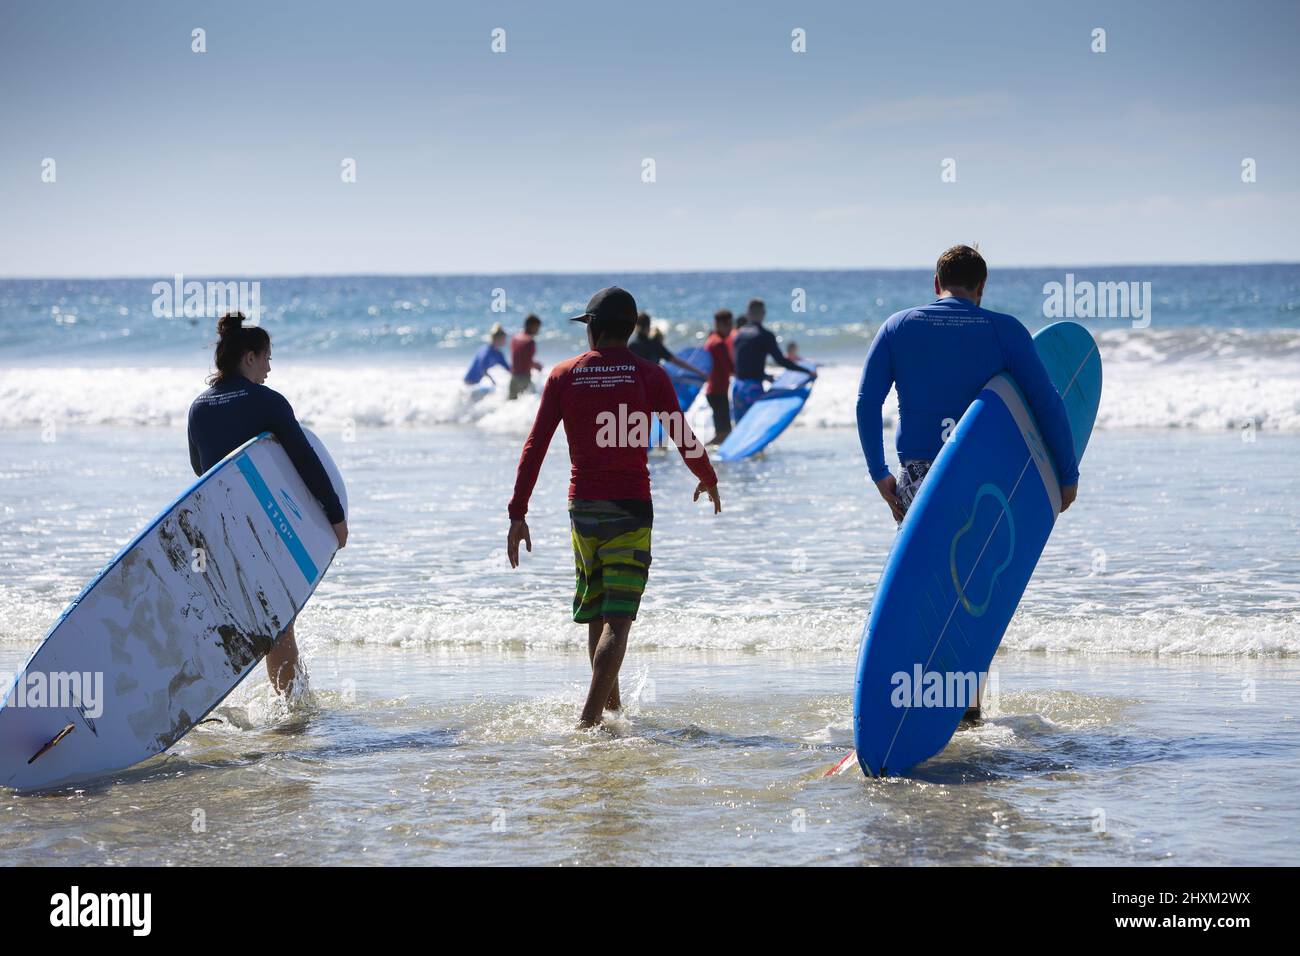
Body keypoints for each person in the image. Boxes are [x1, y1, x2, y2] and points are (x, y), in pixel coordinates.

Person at [855, 245, 1080, 723]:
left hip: (919, 477)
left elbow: (865, 402)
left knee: (926, 583)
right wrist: (1066, 475)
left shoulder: (898, 326)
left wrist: (879, 473)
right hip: (984, 475)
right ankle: (969, 706)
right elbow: (1049, 405)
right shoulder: (1004, 330)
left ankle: (918, 696)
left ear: (936, 284)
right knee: (976, 587)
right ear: (981, 288)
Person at [506, 287, 721, 729]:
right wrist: (707, 476)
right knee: (617, 621)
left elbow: (535, 446)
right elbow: (680, 434)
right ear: (629, 328)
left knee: (597, 614)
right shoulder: (651, 376)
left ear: (594, 328)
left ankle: (611, 711)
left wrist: (518, 512)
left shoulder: (564, 376)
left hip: (582, 509)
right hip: (631, 509)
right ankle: (588, 722)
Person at [187, 312, 348, 696]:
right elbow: (304, 459)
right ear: (249, 357)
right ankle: (291, 709)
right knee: (279, 619)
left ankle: (217, 700)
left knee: (241, 617)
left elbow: (199, 470)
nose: (270, 368)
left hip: (217, 532)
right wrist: (335, 516)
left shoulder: (199, 407)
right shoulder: (268, 402)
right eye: (267, 358)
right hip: (263, 528)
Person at [730, 298, 817, 422]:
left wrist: (764, 376)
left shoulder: (739, 334)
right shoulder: (765, 335)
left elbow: (742, 364)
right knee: (754, 427)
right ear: (763, 314)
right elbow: (781, 361)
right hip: (753, 389)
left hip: (737, 387)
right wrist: (806, 371)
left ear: (748, 313)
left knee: (740, 430)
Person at [628, 311, 708, 378]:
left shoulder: (631, 345)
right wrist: (699, 372)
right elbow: (676, 361)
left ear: (636, 325)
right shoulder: (654, 345)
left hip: (636, 384)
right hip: (652, 384)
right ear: (648, 326)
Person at [704, 309, 735, 444]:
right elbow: (730, 368)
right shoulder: (719, 344)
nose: (730, 328)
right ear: (719, 324)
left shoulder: (711, 340)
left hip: (714, 390)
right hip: (718, 391)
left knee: (722, 432)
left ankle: (715, 459)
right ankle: (704, 452)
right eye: (728, 324)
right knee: (724, 433)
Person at [508, 314, 543, 399]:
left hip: (513, 377)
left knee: (511, 403)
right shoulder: (530, 342)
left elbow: (517, 358)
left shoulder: (515, 338)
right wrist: (537, 366)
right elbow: (527, 361)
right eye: (537, 327)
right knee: (535, 400)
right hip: (524, 378)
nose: (538, 330)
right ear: (532, 326)